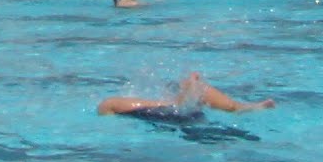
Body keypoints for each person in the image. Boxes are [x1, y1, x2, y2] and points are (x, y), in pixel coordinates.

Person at [97, 72, 274, 117]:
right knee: (191, 90)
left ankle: (186, 95)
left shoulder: (111, 105)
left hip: (165, 113)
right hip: (172, 112)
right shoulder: (110, 105)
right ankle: (242, 108)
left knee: (108, 104)